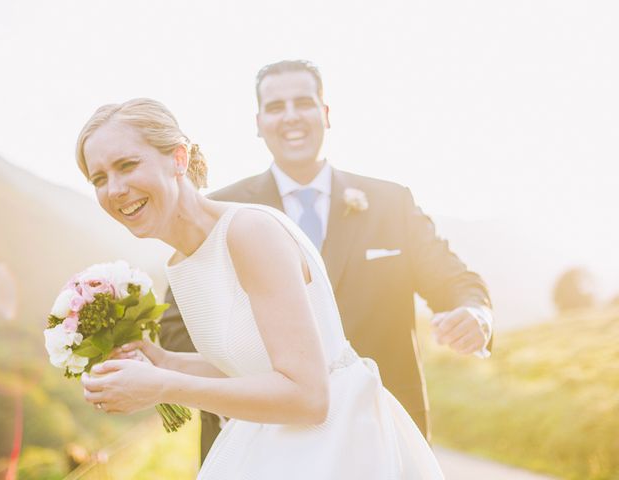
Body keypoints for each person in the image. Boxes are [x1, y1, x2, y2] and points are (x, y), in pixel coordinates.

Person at [77, 98, 445, 478]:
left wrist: (164, 386)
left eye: (127, 165)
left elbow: (308, 397)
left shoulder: (249, 232)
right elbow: (252, 366)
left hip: (333, 450)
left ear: (179, 159)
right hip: (274, 444)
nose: (115, 189)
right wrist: (165, 361)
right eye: (99, 178)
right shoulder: (183, 260)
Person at [159, 60, 493, 459]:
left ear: (325, 113)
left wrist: (476, 314)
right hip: (262, 444)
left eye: (303, 102)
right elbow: (178, 327)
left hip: (380, 438)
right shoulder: (220, 211)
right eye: (276, 106)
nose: (291, 116)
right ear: (258, 121)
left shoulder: (391, 203)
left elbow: (453, 280)